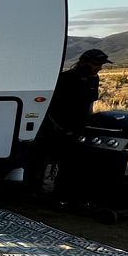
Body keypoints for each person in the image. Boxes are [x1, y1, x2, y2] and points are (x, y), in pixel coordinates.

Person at [26, 48, 111, 195]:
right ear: (83, 62)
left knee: (70, 162)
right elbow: (50, 106)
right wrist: (58, 126)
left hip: (76, 127)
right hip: (53, 127)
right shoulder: (65, 79)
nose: (99, 68)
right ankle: (32, 191)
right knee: (41, 159)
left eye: (101, 65)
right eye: (96, 64)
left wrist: (86, 123)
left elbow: (90, 103)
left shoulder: (94, 79)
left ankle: (61, 194)